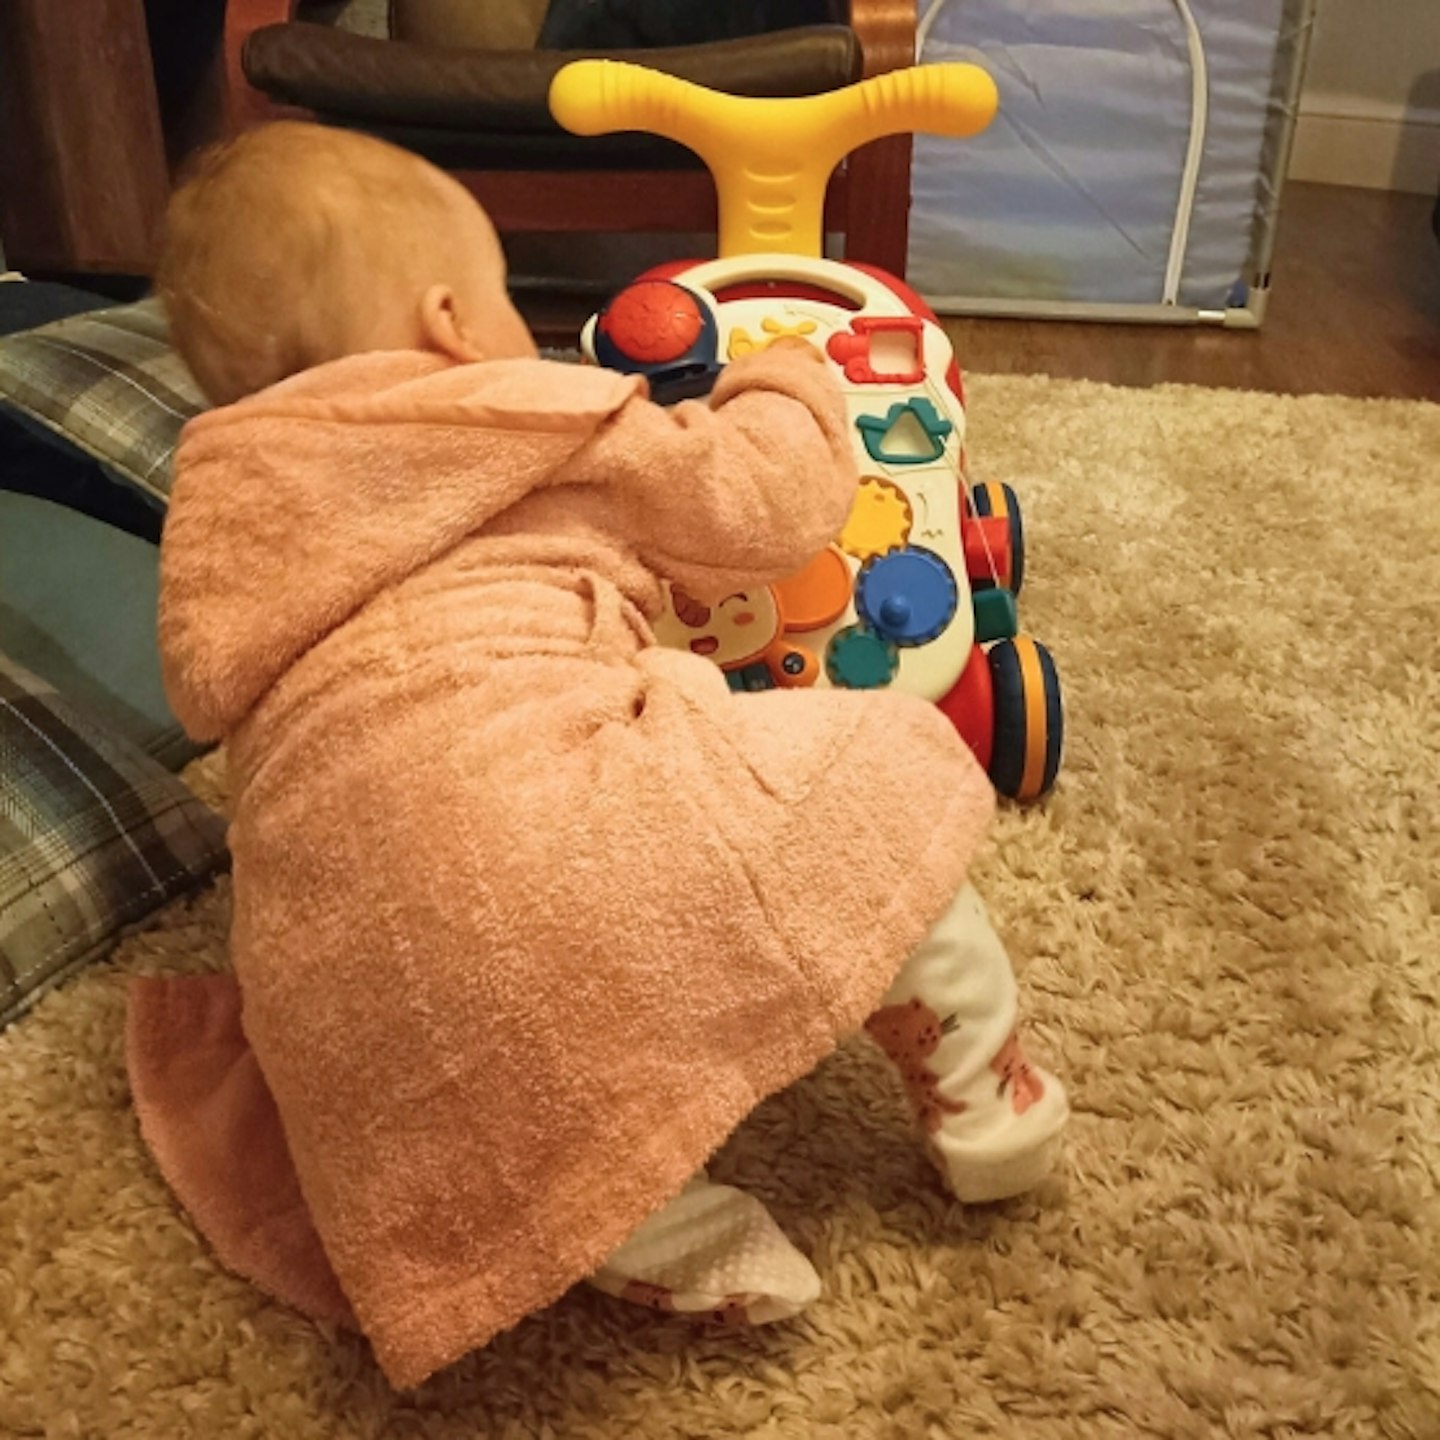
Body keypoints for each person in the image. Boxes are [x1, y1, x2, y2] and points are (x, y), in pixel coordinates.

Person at [127, 121, 1069, 1390]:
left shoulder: (230, 514)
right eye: (511, 300)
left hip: (342, 977)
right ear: (452, 319)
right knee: (870, 786)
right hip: (558, 833)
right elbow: (766, 505)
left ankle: (622, 1226)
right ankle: (988, 1096)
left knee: (483, 1054)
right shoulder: (522, 406)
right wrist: (786, 387)